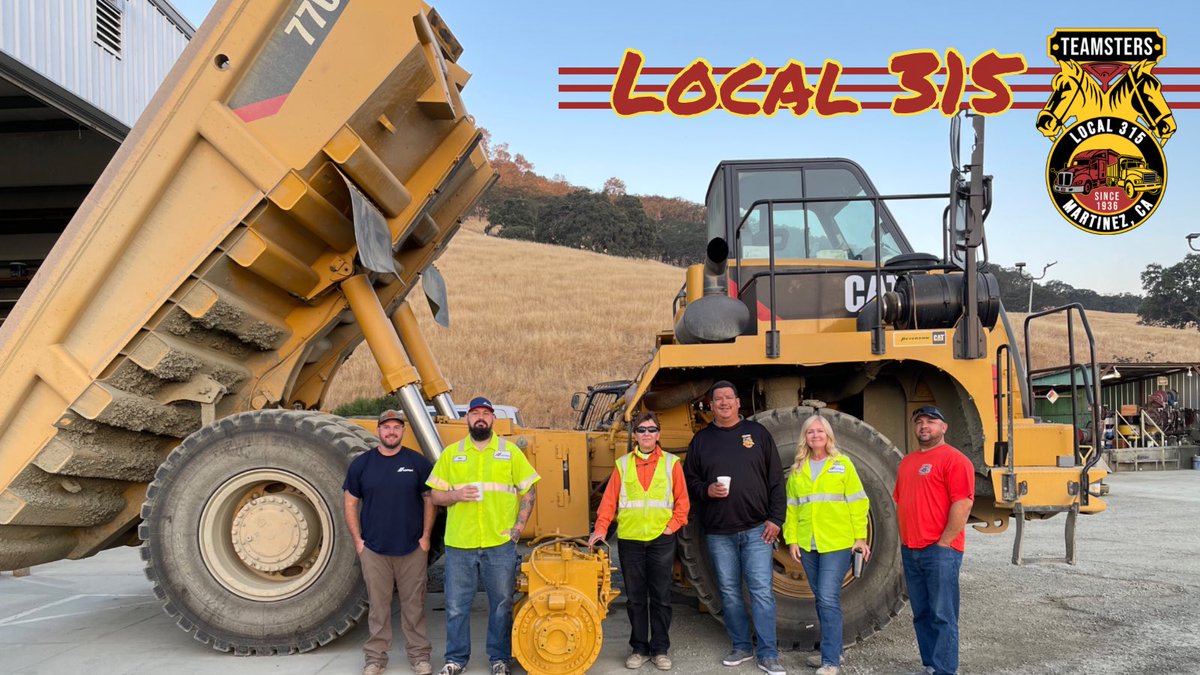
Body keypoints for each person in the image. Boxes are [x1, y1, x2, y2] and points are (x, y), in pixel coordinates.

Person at [427, 397, 540, 675]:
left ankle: (499, 659)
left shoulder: (510, 452)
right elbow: (435, 495)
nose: (480, 418)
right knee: (455, 606)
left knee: (501, 605)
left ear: (492, 419)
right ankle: (455, 659)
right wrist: (454, 495)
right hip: (460, 544)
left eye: (485, 414)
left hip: (499, 544)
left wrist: (517, 529)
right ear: (468, 419)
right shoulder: (452, 454)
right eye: (475, 413)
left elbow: (529, 489)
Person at [682, 381, 787, 675]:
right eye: (718, 399)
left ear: (738, 403)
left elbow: (777, 481)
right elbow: (690, 481)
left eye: (729, 397)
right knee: (729, 592)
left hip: (757, 530)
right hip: (719, 532)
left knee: (761, 591)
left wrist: (776, 520)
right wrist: (706, 491)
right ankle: (741, 646)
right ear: (711, 406)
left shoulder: (758, 434)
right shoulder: (702, 441)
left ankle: (768, 653)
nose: (724, 403)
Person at [589, 412, 690, 671]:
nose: (646, 434)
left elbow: (683, 502)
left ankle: (660, 649)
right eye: (641, 430)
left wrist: (671, 527)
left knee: (661, 597)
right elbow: (609, 502)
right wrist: (600, 529)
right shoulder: (623, 464)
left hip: (661, 539)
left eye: (651, 430)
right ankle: (639, 648)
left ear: (659, 434)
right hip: (630, 540)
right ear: (635, 435)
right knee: (635, 598)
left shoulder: (671, 464)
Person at [343, 410, 435, 675]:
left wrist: (426, 538)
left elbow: (430, 499)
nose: (391, 431)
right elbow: (350, 502)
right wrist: (359, 541)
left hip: (412, 549)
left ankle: (420, 657)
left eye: (397, 427)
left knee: (414, 606)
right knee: (378, 608)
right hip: (374, 550)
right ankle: (375, 659)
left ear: (402, 431)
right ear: (378, 431)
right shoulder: (362, 464)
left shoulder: (417, 463)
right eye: (387, 427)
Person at [783, 415, 870, 675]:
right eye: (810, 432)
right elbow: (791, 508)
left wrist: (860, 537)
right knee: (822, 599)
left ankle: (830, 661)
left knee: (828, 598)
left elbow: (858, 502)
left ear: (828, 435)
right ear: (805, 438)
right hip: (808, 544)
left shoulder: (842, 464)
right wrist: (792, 539)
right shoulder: (798, 470)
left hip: (837, 542)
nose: (816, 435)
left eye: (820, 431)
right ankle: (833, 652)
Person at [893, 406, 975, 675]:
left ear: (944, 428)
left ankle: (945, 670)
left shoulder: (955, 460)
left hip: (939, 550)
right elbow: (900, 501)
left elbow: (962, 503)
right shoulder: (907, 462)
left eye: (931, 421)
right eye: (919, 422)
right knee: (922, 614)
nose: (924, 426)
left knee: (943, 615)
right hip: (912, 548)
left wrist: (945, 542)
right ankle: (930, 665)